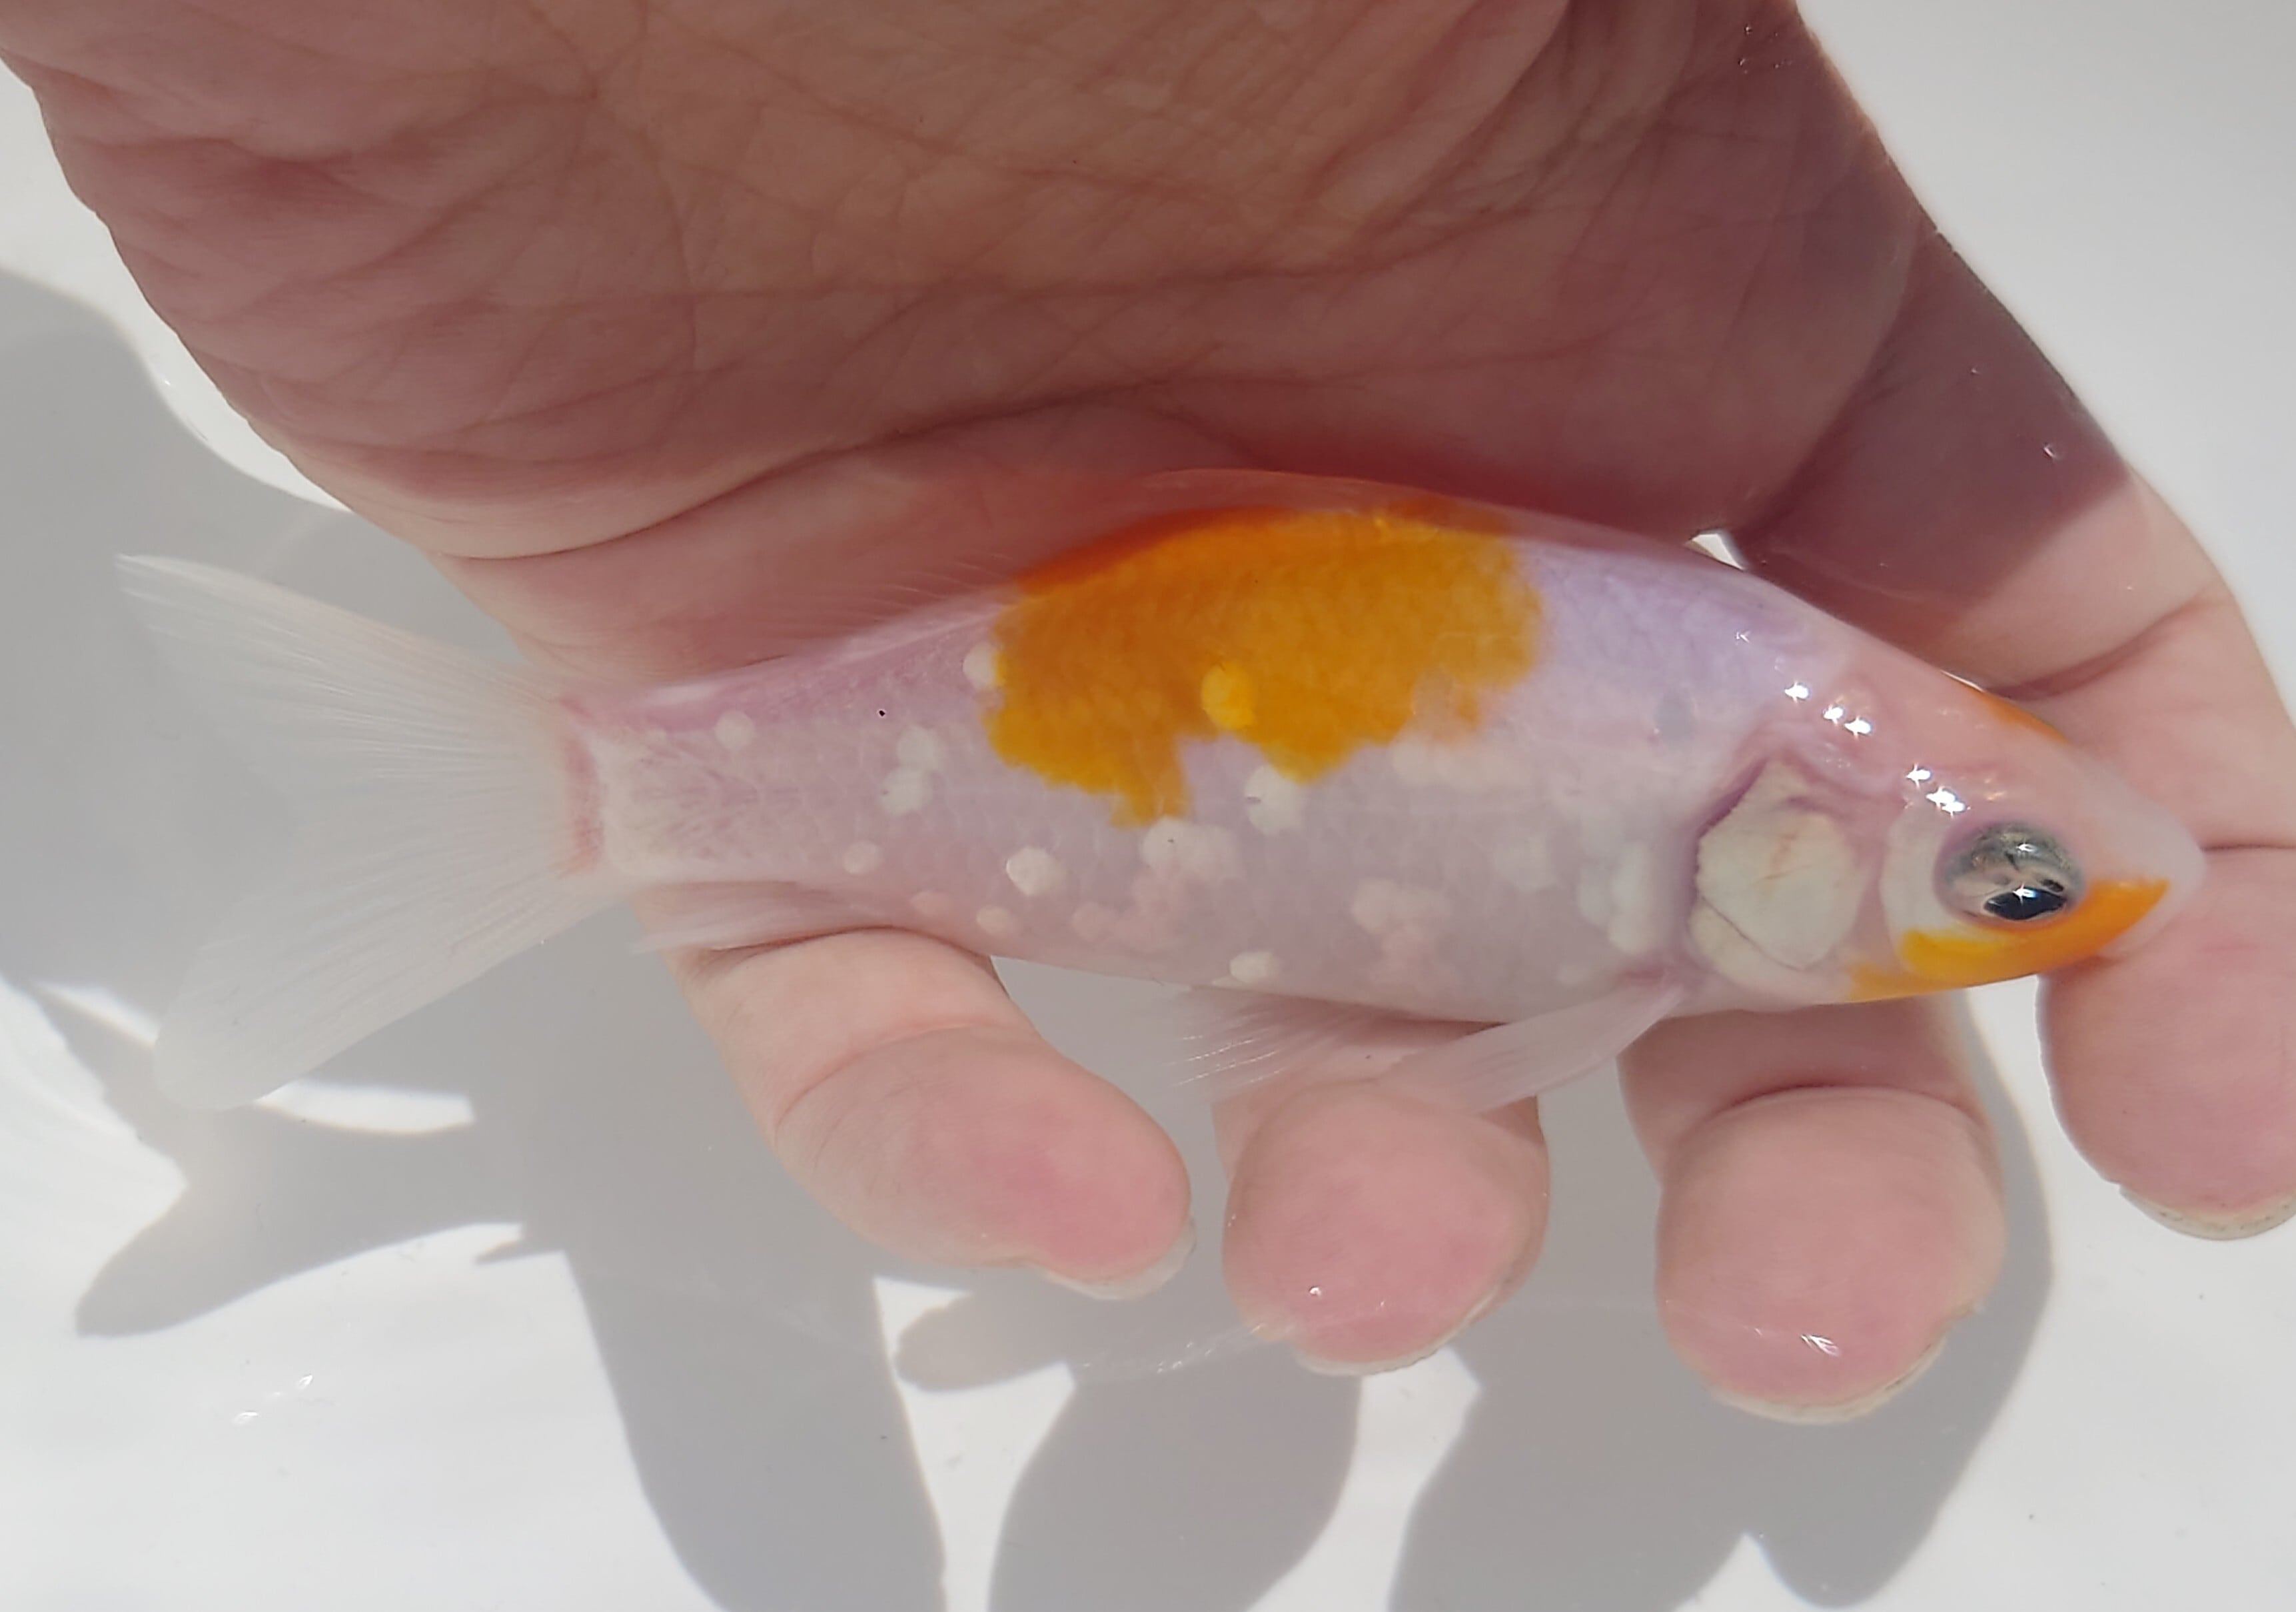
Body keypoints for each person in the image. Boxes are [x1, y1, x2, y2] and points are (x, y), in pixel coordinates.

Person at [3, 0, 2288, 1418]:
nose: (2023, 909)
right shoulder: (1742, 700)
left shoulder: (1759, 688)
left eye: (2015, 884)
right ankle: (592, 799)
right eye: (2007, 879)